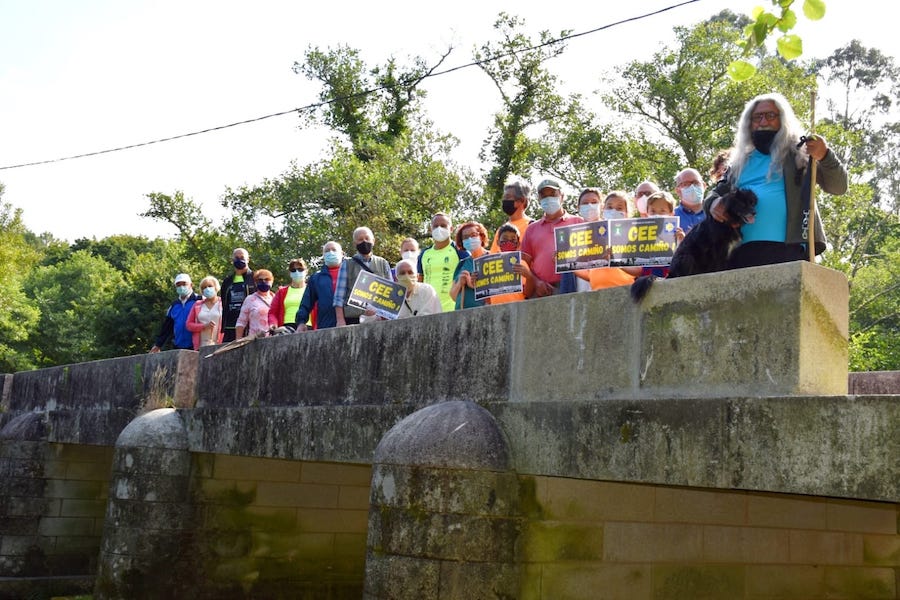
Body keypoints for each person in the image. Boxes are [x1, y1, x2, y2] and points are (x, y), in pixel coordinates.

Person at [705, 92, 848, 268]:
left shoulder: (802, 154)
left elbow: (838, 187)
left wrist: (825, 155)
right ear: (749, 124)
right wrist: (712, 204)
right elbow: (715, 194)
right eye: (757, 117)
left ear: (783, 120)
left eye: (770, 115)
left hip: (790, 250)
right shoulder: (739, 162)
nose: (763, 122)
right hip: (742, 253)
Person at [520, 178, 584, 297]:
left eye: (553, 194)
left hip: (572, 286)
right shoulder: (531, 229)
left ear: (562, 196)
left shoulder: (578, 222)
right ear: (539, 199)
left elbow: (590, 255)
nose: (548, 199)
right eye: (544, 196)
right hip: (540, 290)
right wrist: (536, 282)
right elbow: (524, 264)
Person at [334, 227, 392, 326]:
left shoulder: (383, 263)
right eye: (360, 239)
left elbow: (391, 293)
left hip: (379, 319)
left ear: (373, 241)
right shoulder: (347, 264)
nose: (364, 241)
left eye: (367, 238)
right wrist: (340, 320)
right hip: (353, 319)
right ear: (355, 243)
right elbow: (339, 296)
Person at [585, 190, 638, 291]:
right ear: (603, 209)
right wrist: (564, 262)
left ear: (627, 213)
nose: (613, 211)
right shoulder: (592, 236)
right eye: (609, 207)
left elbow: (639, 271)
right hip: (597, 293)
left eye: (619, 208)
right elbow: (588, 273)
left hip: (625, 292)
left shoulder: (633, 237)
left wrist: (615, 262)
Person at [418, 213, 467, 313]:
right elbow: (419, 283)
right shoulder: (424, 254)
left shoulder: (460, 251)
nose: (439, 228)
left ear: (451, 229)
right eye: (435, 226)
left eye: (443, 225)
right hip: (428, 311)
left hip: (454, 309)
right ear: (430, 229)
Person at [296, 241, 345, 331]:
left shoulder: (351, 273)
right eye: (327, 251)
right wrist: (301, 322)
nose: (331, 252)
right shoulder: (316, 278)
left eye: (334, 250)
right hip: (326, 326)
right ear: (323, 255)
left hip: (351, 322)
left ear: (342, 254)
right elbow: (306, 303)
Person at [149, 273, 201, 352]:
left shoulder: (199, 300)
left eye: (184, 284)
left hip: (197, 345)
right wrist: (158, 344)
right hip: (179, 346)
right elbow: (167, 327)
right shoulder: (174, 306)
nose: (181, 287)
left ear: (191, 284)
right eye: (178, 285)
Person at [640, 191, 685, 279]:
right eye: (653, 211)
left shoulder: (678, 235)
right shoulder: (640, 239)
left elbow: (686, 260)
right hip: (648, 284)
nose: (657, 215)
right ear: (647, 214)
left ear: (671, 214)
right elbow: (638, 269)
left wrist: (683, 241)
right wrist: (616, 262)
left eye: (662, 211)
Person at [450, 221, 490, 310]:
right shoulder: (462, 264)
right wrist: (460, 283)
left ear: (481, 236)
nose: (470, 239)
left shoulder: (492, 258)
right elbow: (453, 296)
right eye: (465, 237)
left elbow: (499, 290)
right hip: (461, 314)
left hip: (485, 313)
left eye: (473, 235)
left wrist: (473, 285)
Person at [489, 176, 533, 252]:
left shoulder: (532, 226)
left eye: (508, 197)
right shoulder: (501, 229)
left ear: (522, 200)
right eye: (504, 198)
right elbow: (493, 256)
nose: (504, 201)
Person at [220, 248, 254, 342]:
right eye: (236, 258)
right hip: (230, 326)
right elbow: (224, 304)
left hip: (250, 326)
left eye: (242, 257)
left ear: (248, 259)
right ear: (232, 260)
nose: (239, 260)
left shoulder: (255, 278)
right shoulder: (227, 281)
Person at [185, 276, 224, 349]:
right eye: (204, 287)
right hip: (201, 346)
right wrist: (203, 326)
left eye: (210, 286)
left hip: (220, 344)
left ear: (216, 287)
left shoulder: (223, 303)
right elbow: (188, 325)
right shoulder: (197, 305)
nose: (207, 289)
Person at [268, 258, 307, 330]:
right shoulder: (281, 292)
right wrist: (273, 323)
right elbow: (272, 313)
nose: (297, 272)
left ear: (306, 271)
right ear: (290, 273)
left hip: (307, 327)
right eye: (293, 270)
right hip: (286, 328)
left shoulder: (312, 291)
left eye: (300, 269)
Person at [235, 269, 275, 338]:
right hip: (255, 340)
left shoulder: (276, 298)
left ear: (271, 282)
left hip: (275, 340)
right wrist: (238, 341)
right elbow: (241, 322)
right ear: (255, 283)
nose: (263, 281)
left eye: (267, 279)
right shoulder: (250, 299)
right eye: (260, 280)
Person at [674, 168, 707, 233]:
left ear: (704, 186)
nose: (692, 187)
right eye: (686, 184)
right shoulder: (671, 216)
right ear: (677, 191)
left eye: (696, 183)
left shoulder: (716, 213)